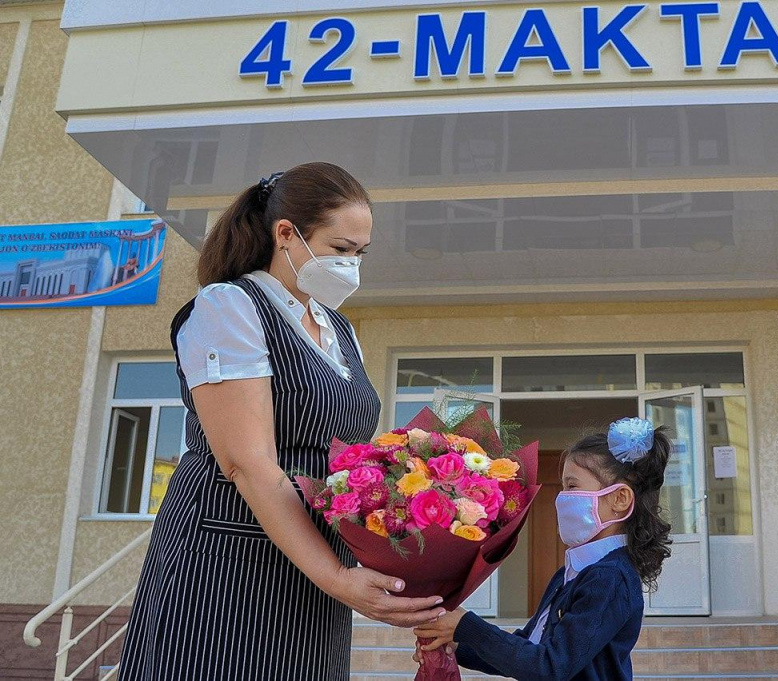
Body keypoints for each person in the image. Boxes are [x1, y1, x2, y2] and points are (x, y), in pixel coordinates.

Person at [118, 162, 446, 681]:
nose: (352, 266)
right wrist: (337, 577)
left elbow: (348, 458)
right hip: (230, 560)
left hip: (318, 565)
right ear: (287, 234)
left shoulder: (338, 329)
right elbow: (246, 462)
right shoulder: (229, 307)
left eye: (360, 254)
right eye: (340, 250)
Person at [412, 417, 673, 681]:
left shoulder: (610, 579)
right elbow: (530, 648)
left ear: (620, 499)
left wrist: (467, 627)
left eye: (572, 486)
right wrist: (457, 645)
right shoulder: (569, 575)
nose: (562, 497)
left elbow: (550, 666)